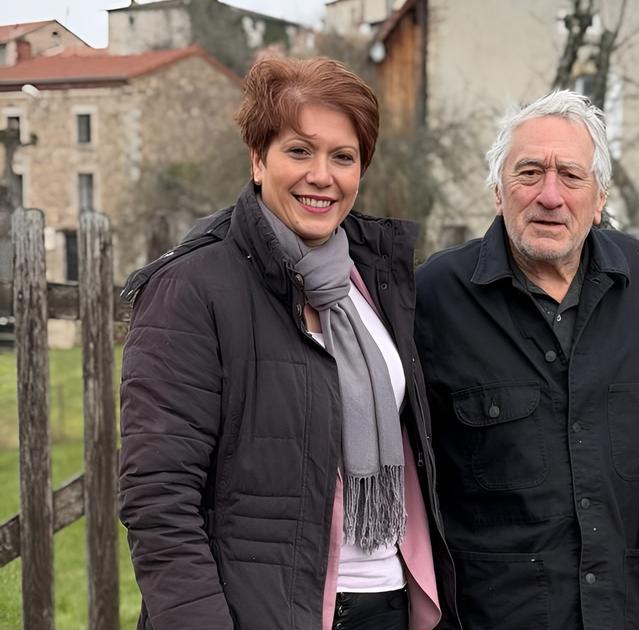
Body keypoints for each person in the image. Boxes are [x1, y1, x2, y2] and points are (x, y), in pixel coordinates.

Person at [119, 56, 456, 630]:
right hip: (268, 613)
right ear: (258, 159)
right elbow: (159, 499)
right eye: (299, 150)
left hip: (390, 604)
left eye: (343, 157)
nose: (321, 175)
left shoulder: (370, 281)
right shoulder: (194, 288)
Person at [414, 90, 639, 630]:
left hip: (628, 613)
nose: (550, 196)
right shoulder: (434, 298)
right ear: (498, 191)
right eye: (529, 173)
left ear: (599, 198)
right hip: (490, 616)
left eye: (571, 175)